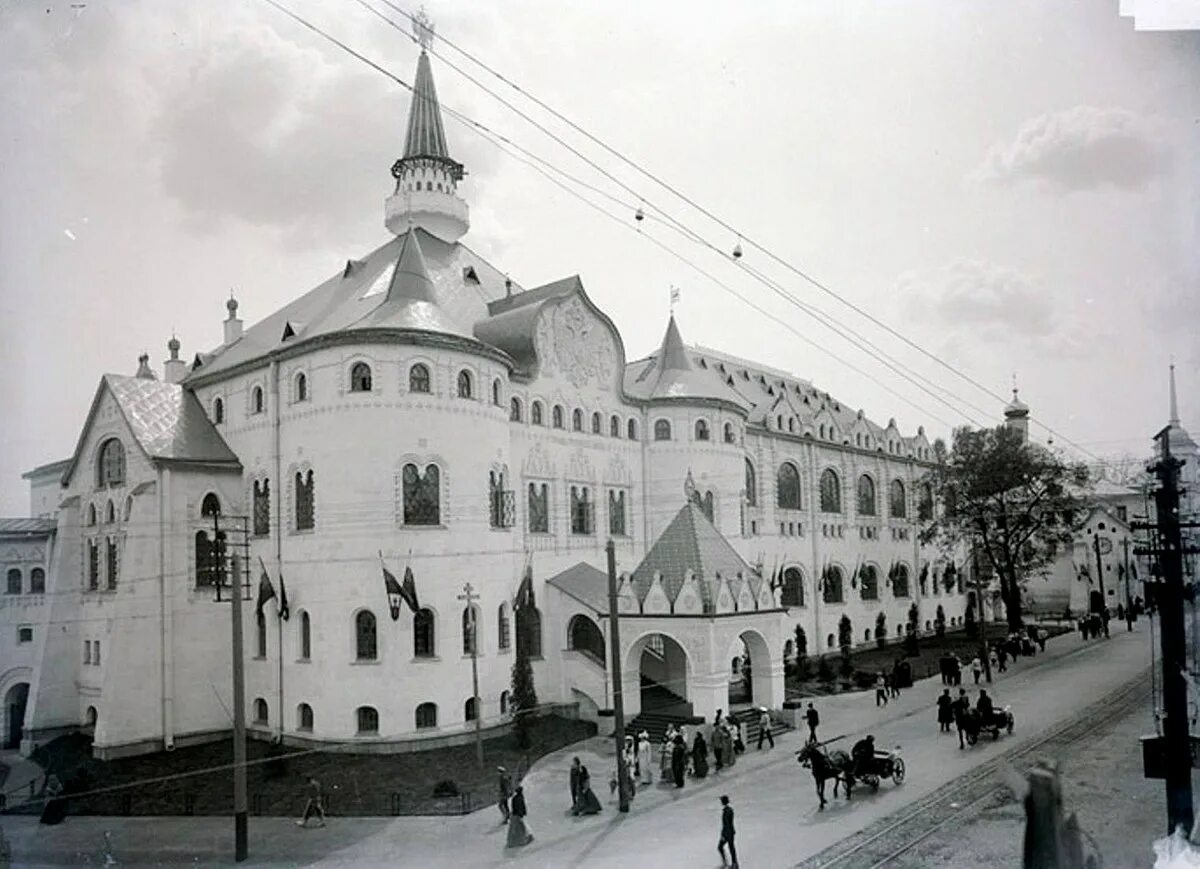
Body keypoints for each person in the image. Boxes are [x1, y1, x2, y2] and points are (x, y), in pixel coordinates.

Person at [718, 795, 739, 868]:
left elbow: (726, 824)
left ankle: (729, 863)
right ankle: (734, 863)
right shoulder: (729, 810)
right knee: (731, 848)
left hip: (728, 833)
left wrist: (723, 835)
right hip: (730, 832)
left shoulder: (727, 812)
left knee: (722, 847)